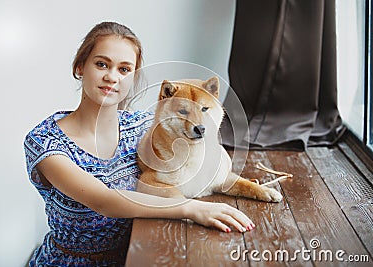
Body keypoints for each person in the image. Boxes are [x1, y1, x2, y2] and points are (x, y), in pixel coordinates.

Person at [24, 21, 254, 266]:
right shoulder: (45, 141)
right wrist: (191, 209)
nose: (112, 77)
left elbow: (198, 151)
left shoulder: (142, 126)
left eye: (124, 69)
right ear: (80, 67)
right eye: (102, 64)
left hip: (140, 256)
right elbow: (105, 201)